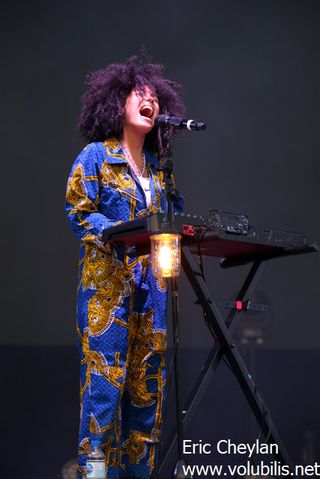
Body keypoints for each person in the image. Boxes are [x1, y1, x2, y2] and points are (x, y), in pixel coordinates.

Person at [65, 55, 185, 479]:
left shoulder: (160, 174)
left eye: (155, 96)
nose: (150, 99)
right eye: (141, 93)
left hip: (151, 301)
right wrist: (124, 231)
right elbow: (79, 212)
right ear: (117, 103)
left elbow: (173, 224)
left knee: (145, 403)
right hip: (107, 299)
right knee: (102, 399)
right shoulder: (96, 157)